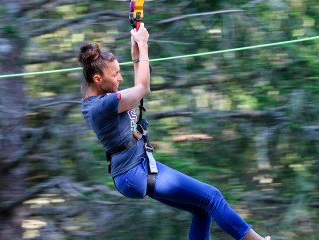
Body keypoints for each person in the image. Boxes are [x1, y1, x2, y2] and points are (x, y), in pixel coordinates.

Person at [78, 24, 269, 240]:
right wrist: (143, 44)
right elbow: (143, 89)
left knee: (202, 208)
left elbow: (137, 87)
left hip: (137, 167)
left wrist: (137, 53)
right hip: (134, 172)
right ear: (97, 80)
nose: (120, 79)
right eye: (116, 74)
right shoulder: (102, 105)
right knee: (212, 196)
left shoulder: (100, 96)